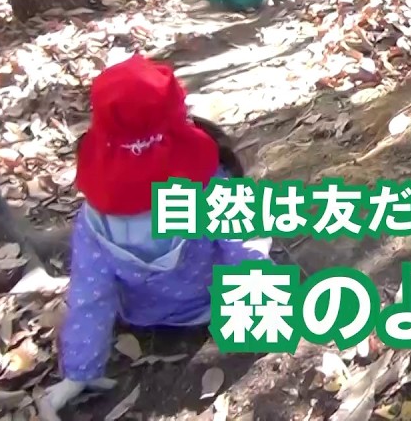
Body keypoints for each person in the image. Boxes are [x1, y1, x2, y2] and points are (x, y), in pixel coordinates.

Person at [37, 56, 271, 416]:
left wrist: (80, 372)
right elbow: (243, 246)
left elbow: (90, 293)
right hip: (211, 303)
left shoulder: (94, 217)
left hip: (143, 316)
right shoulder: (206, 183)